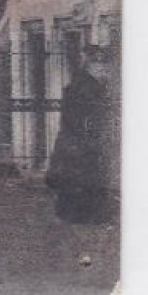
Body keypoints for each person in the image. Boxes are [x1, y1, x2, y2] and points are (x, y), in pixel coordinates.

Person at [47, 45, 119, 225]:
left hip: (72, 139)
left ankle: (68, 215)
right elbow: (91, 117)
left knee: (72, 179)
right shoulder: (91, 88)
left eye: (106, 68)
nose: (106, 72)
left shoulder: (77, 84)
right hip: (84, 140)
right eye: (102, 68)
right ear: (92, 67)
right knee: (87, 177)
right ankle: (89, 217)